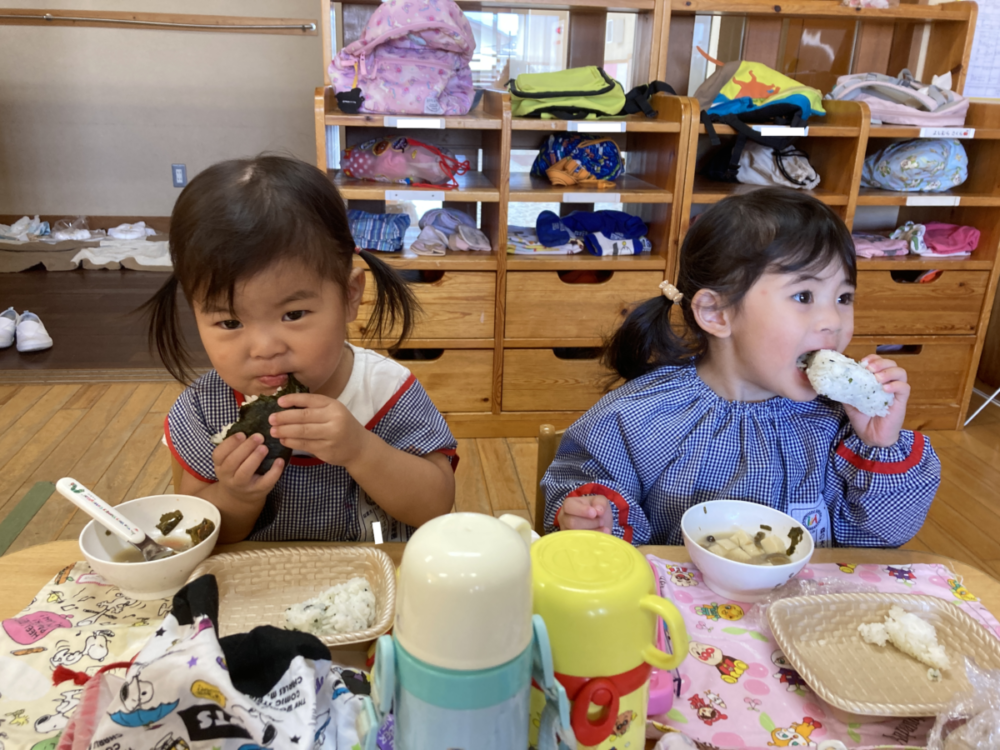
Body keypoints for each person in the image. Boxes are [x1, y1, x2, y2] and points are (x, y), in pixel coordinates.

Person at [542, 188, 940, 547]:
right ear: (716, 313)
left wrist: (878, 445)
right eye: (804, 295)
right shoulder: (638, 417)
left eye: (844, 297)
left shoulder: (841, 425)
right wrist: (595, 518)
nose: (833, 322)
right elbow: (586, 502)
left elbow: (880, 540)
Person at [145, 155, 456, 544]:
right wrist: (235, 496)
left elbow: (436, 505)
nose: (264, 348)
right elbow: (193, 535)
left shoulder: (387, 392)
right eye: (230, 323)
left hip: (373, 581)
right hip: (259, 590)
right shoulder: (205, 409)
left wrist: (361, 451)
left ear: (349, 296)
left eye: (293, 314)